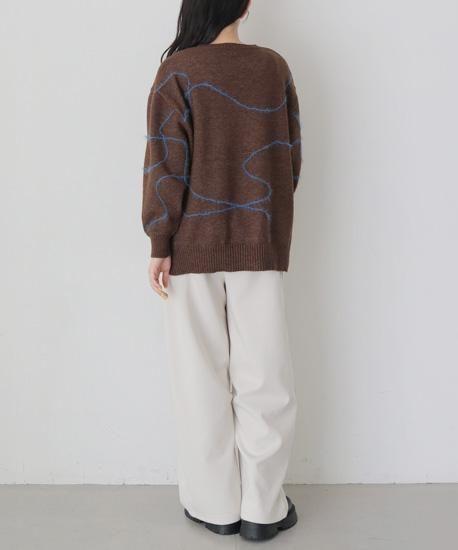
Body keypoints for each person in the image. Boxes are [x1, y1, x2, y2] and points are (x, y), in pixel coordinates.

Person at [142, 0, 301, 542]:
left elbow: (165, 164)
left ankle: (216, 507)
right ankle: (263, 509)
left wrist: (160, 241)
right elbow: (290, 159)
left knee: (199, 377)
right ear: (245, 4)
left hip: (191, 247)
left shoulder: (177, 71)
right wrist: (265, 221)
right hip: (260, 241)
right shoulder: (273, 68)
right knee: (266, 377)